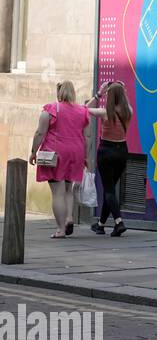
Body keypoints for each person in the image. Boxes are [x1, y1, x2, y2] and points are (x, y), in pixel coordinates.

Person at [29, 80, 98, 239]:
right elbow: (88, 136)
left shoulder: (51, 109)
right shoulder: (82, 111)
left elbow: (40, 133)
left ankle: (60, 229)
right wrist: (86, 156)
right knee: (68, 189)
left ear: (59, 92)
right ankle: (69, 218)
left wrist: (33, 152)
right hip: (76, 153)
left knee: (57, 193)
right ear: (73, 92)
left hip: (55, 153)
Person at [87, 80, 132, 236]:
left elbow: (86, 109)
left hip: (106, 151)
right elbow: (124, 99)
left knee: (109, 189)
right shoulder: (129, 111)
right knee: (110, 189)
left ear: (110, 96)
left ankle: (119, 222)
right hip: (122, 152)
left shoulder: (105, 112)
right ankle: (101, 224)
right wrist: (122, 89)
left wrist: (99, 93)